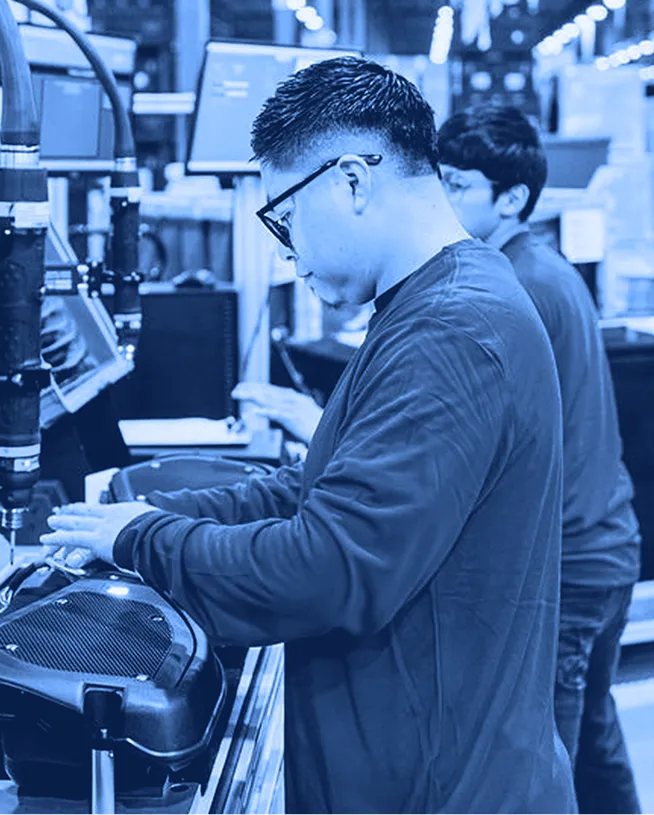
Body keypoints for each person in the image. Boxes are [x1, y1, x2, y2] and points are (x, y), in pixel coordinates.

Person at [43, 58, 576, 813]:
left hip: (443, 787)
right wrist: (151, 517)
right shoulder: (429, 306)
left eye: (283, 217)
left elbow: (329, 567)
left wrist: (147, 541)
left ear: (351, 181)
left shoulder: (456, 329)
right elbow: (318, 488)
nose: (285, 253)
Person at [438, 104, 642, 815]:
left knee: (541, 766)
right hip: (608, 550)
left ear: (511, 197)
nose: (441, 198)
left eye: (457, 184)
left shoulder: (514, 284)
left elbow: (475, 440)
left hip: (573, 567)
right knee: (593, 735)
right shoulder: (540, 266)